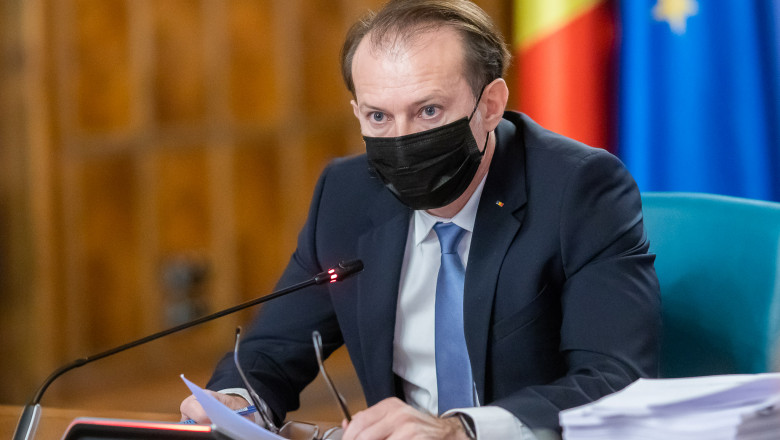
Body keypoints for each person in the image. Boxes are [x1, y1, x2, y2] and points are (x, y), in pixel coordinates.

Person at [180, 0, 661, 438]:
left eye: (428, 110)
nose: (402, 140)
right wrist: (235, 401)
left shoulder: (579, 188)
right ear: (357, 112)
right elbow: (272, 351)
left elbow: (614, 379)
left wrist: (461, 430)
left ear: (490, 105)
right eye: (379, 117)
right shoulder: (346, 195)